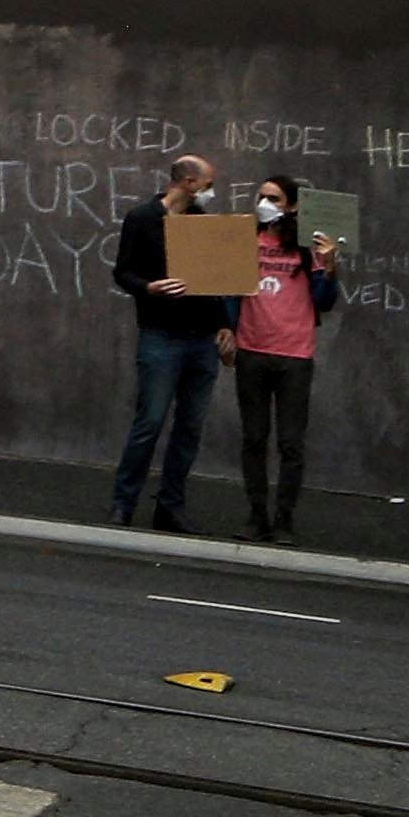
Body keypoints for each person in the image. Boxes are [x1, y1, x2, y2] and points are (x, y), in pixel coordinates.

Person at [108, 150, 235, 532]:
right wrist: (150, 288)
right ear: (188, 182)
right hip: (161, 335)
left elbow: (214, 282)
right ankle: (123, 503)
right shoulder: (143, 219)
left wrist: (225, 325)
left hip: (201, 338)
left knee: (190, 426)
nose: (210, 192)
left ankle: (170, 505)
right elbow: (123, 272)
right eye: (208, 185)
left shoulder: (201, 222)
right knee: (149, 420)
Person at [233, 173, 344, 545]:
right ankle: (256, 515)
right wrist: (226, 330)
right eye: (261, 196)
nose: (265, 203)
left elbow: (324, 301)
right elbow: (229, 289)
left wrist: (330, 268)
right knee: (253, 438)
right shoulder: (245, 239)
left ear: (292, 205)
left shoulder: (307, 245)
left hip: (294, 354)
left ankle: (284, 519)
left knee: (291, 443)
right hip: (252, 349)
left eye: (274, 198)